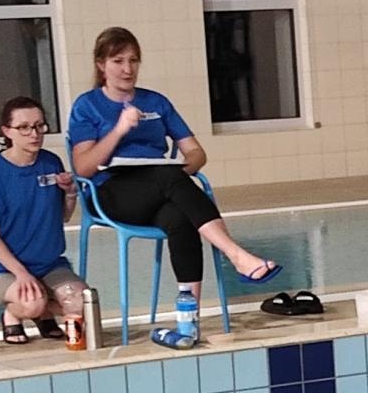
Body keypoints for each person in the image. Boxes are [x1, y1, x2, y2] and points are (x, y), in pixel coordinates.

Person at [68, 27, 280, 338]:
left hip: (159, 187)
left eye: (133, 60)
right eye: (118, 61)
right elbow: (83, 167)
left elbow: (196, 152)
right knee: (169, 180)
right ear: (101, 65)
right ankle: (236, 254)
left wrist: (180, 171)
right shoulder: (87, 106)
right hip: (112, 194)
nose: (128, 69)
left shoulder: (157, 102)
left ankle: (188, 318)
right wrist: (119, 130)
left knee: (180, 215)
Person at [0, 98, 87, 345]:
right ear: (7, 131)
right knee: (32, 303)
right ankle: (14, 314)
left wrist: (70, 193)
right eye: (24, 127)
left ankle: (49, 316)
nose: (34, 134)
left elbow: (62, 216)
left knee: (81, 302)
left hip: (49, 265)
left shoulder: (50, 162)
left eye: (39, 126)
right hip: (5, 269)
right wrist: (20, 273)